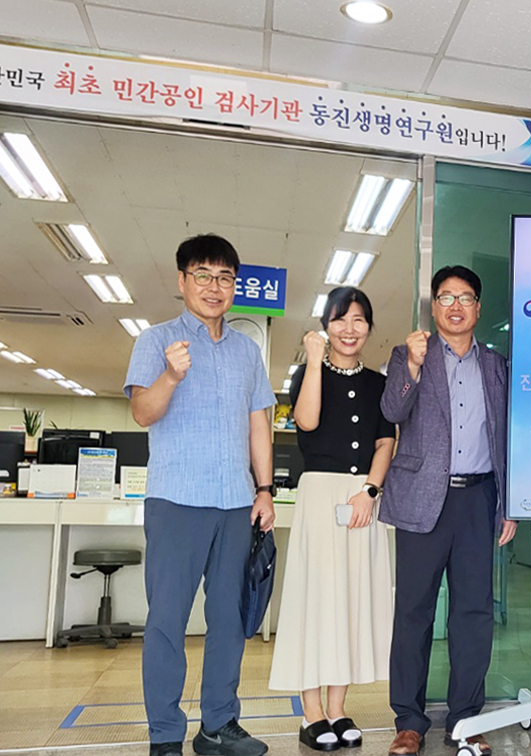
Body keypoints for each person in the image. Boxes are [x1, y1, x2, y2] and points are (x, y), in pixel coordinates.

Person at [124, 234, 275, 756]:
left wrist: (264, 489)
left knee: (229, 618)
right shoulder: (156, 340)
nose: (214, 287)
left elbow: (259, 425)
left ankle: (218, 726)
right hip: (176, 500)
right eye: (203, 275)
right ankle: (165, 734)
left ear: (235, 286)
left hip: (235, 502)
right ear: (182, 280)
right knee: (167, 619)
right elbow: (142, 412)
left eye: (225, 277)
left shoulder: (247, 351)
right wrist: (170, 375)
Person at [379, 265, 517, 756]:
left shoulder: (497, 365)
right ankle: (408, 721)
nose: (455, 306)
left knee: (473, 613)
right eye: (445, 297)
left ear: (478, 308)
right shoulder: (408, 355)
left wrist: (509, 503)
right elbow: (392, 412)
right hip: (422, 498)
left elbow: (506, 437)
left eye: (465, 297)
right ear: (433, 307)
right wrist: (414, 368)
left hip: (478, 498)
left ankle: (465, 719)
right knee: (413, 612)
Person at [268, 287, 396, 751]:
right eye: (340, 320)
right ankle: (312, 713)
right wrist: (314, 360)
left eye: (359, 320)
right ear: (325, 327)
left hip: (363, 498)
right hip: (321, 496)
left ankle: (338, 708)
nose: (349, 329)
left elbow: (385, 442)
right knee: (316, 600)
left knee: (350, 600)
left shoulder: (379, 384)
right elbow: (306, 421)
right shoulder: (309, 374)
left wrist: (370, 491)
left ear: (369, 328)